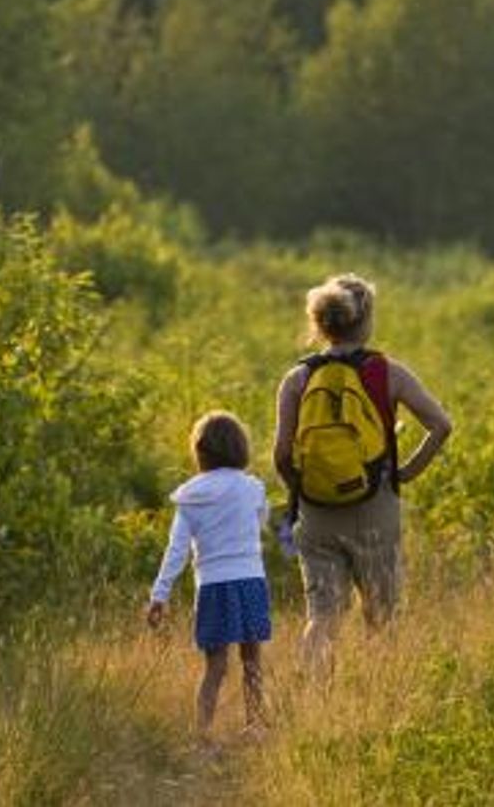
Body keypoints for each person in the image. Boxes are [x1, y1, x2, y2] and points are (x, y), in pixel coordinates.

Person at [272, 271, 452, 658]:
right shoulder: (389, 373)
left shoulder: (297, 379)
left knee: (322, 617)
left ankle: (312, 701)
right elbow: (441, 425)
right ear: (366, 320)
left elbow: (281, 456)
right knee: (383, 617)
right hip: (375, 507)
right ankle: (377, 701)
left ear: (319, 323)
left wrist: (301, 490)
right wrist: (406, 471)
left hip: (317, 510)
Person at [145, 409, 272, 740]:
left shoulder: (190, 496)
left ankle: (201, 735)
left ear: (200, 451)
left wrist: (159, 595)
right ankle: (255, 727)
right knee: (252, 661)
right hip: (249, 581)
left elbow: (177, 550)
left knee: (214, 667)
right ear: (239, 448)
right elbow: (261, 524)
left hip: (213, 587)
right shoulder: (253, 488)